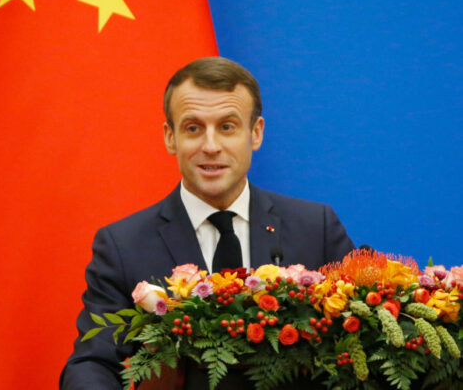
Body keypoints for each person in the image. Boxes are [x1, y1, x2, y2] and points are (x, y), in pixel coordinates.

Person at [60, 57, 355, 389]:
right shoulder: (123, 245)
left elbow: (363, 344)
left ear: (255, 133)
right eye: (193, 128)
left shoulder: (316, 228)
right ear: (170, 138)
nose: (210, 146)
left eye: (227, 127)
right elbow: (92, 363)